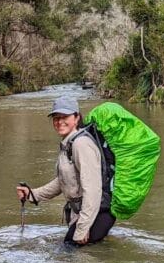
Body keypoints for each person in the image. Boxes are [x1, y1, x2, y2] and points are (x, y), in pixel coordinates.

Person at [16, 96, 115, 246]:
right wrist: (33, 194)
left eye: (65, 117)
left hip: (97, 213)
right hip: (85, 213)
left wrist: (82, 228)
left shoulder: (81, 144)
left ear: (76, 118)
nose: (59, 121)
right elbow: (64, 181)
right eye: (56, 118)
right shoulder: (69, 143)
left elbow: (93, 189)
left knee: (71, 255)